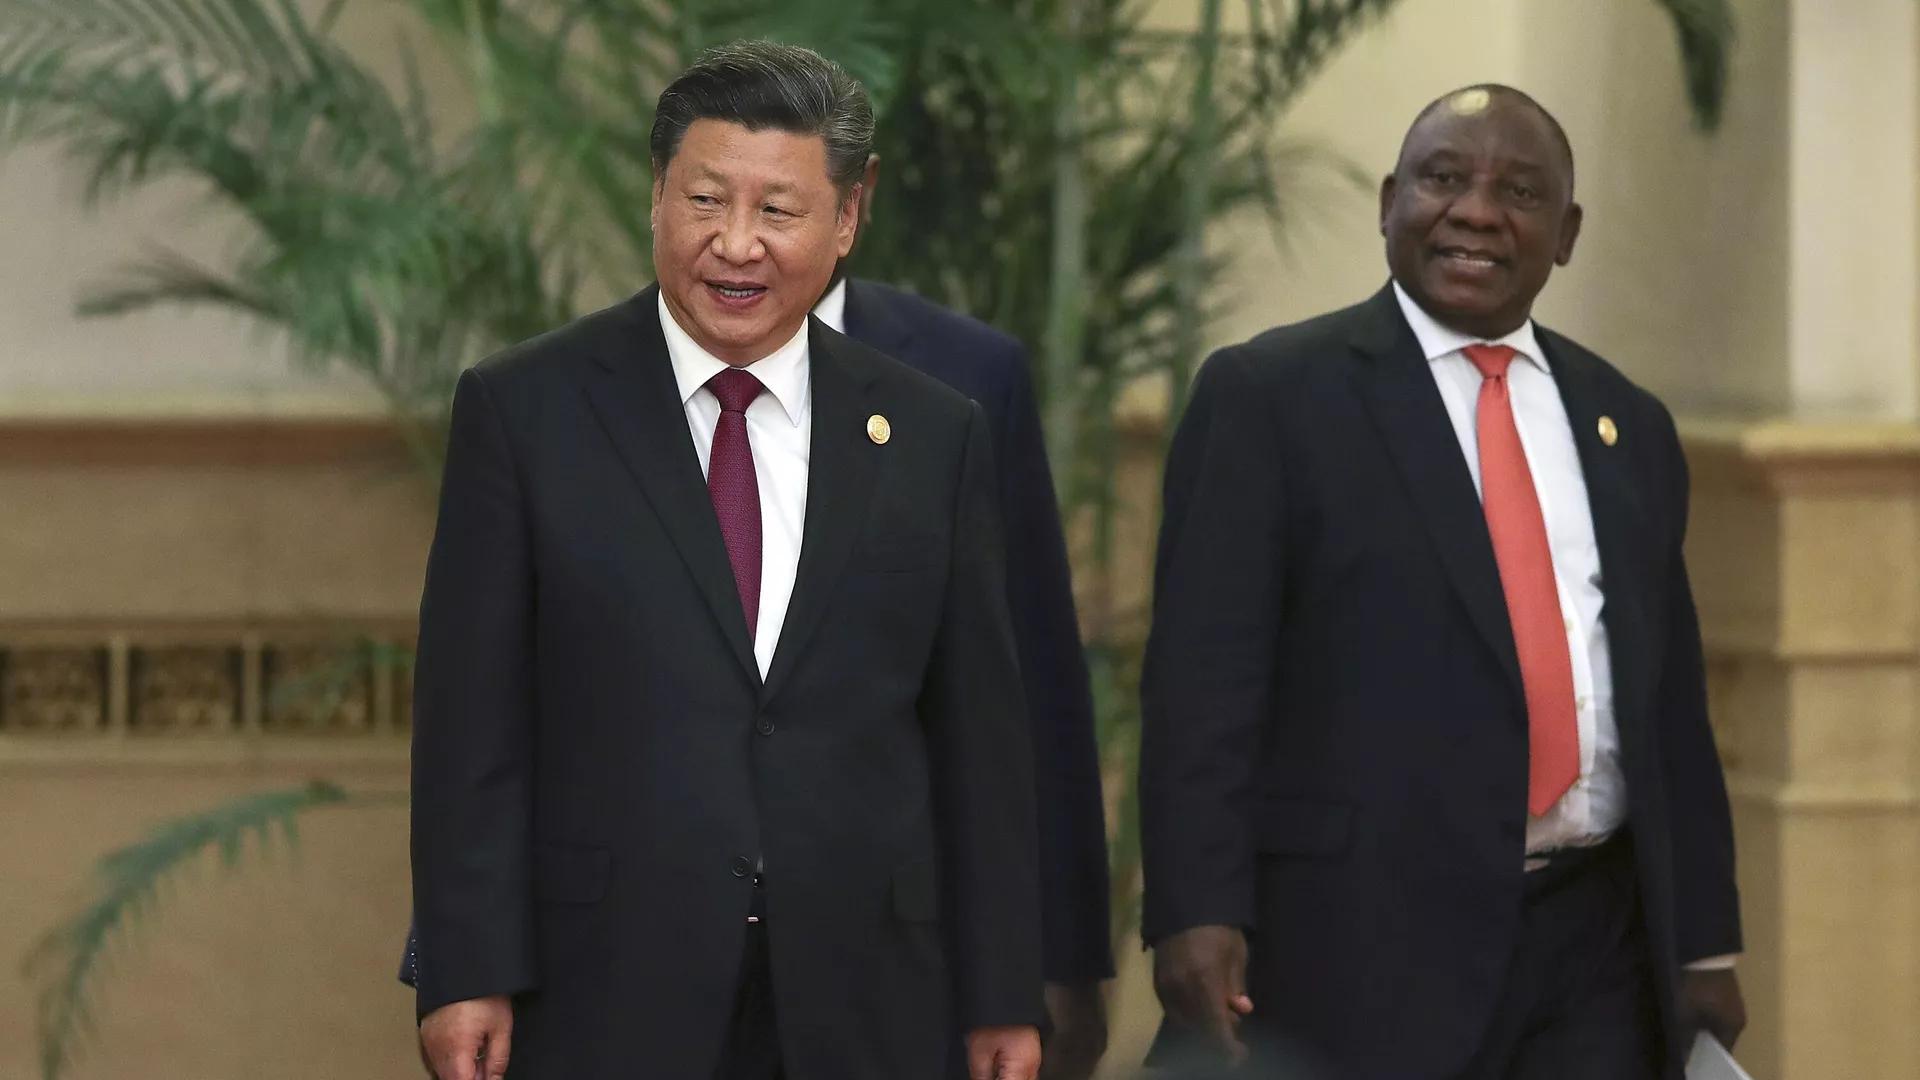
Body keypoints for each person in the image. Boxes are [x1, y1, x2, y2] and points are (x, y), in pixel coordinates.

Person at [399, 155, 1115, 1080]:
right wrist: (464, 969)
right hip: (603, 983)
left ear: (847, 219)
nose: (736, 243)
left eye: (777, 209)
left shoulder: (933, 430)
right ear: (657, 196)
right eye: (705, 200)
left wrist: (1004, 991)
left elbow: (981, 740)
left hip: (868, 994)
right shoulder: (524, 406)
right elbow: (470, 726)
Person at [1139, 84, 1745, 1079]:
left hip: (1596, 940)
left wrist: (1705, 944)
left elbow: (1669, 698)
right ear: (1391, 203)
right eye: (1444, 179)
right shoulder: (1271, 396)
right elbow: (1203, 684)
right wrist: (1195, 906)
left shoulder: (1626, 422)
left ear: (1567, 234)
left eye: (1520, 192)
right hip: (1361, 933)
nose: (1476, 211)